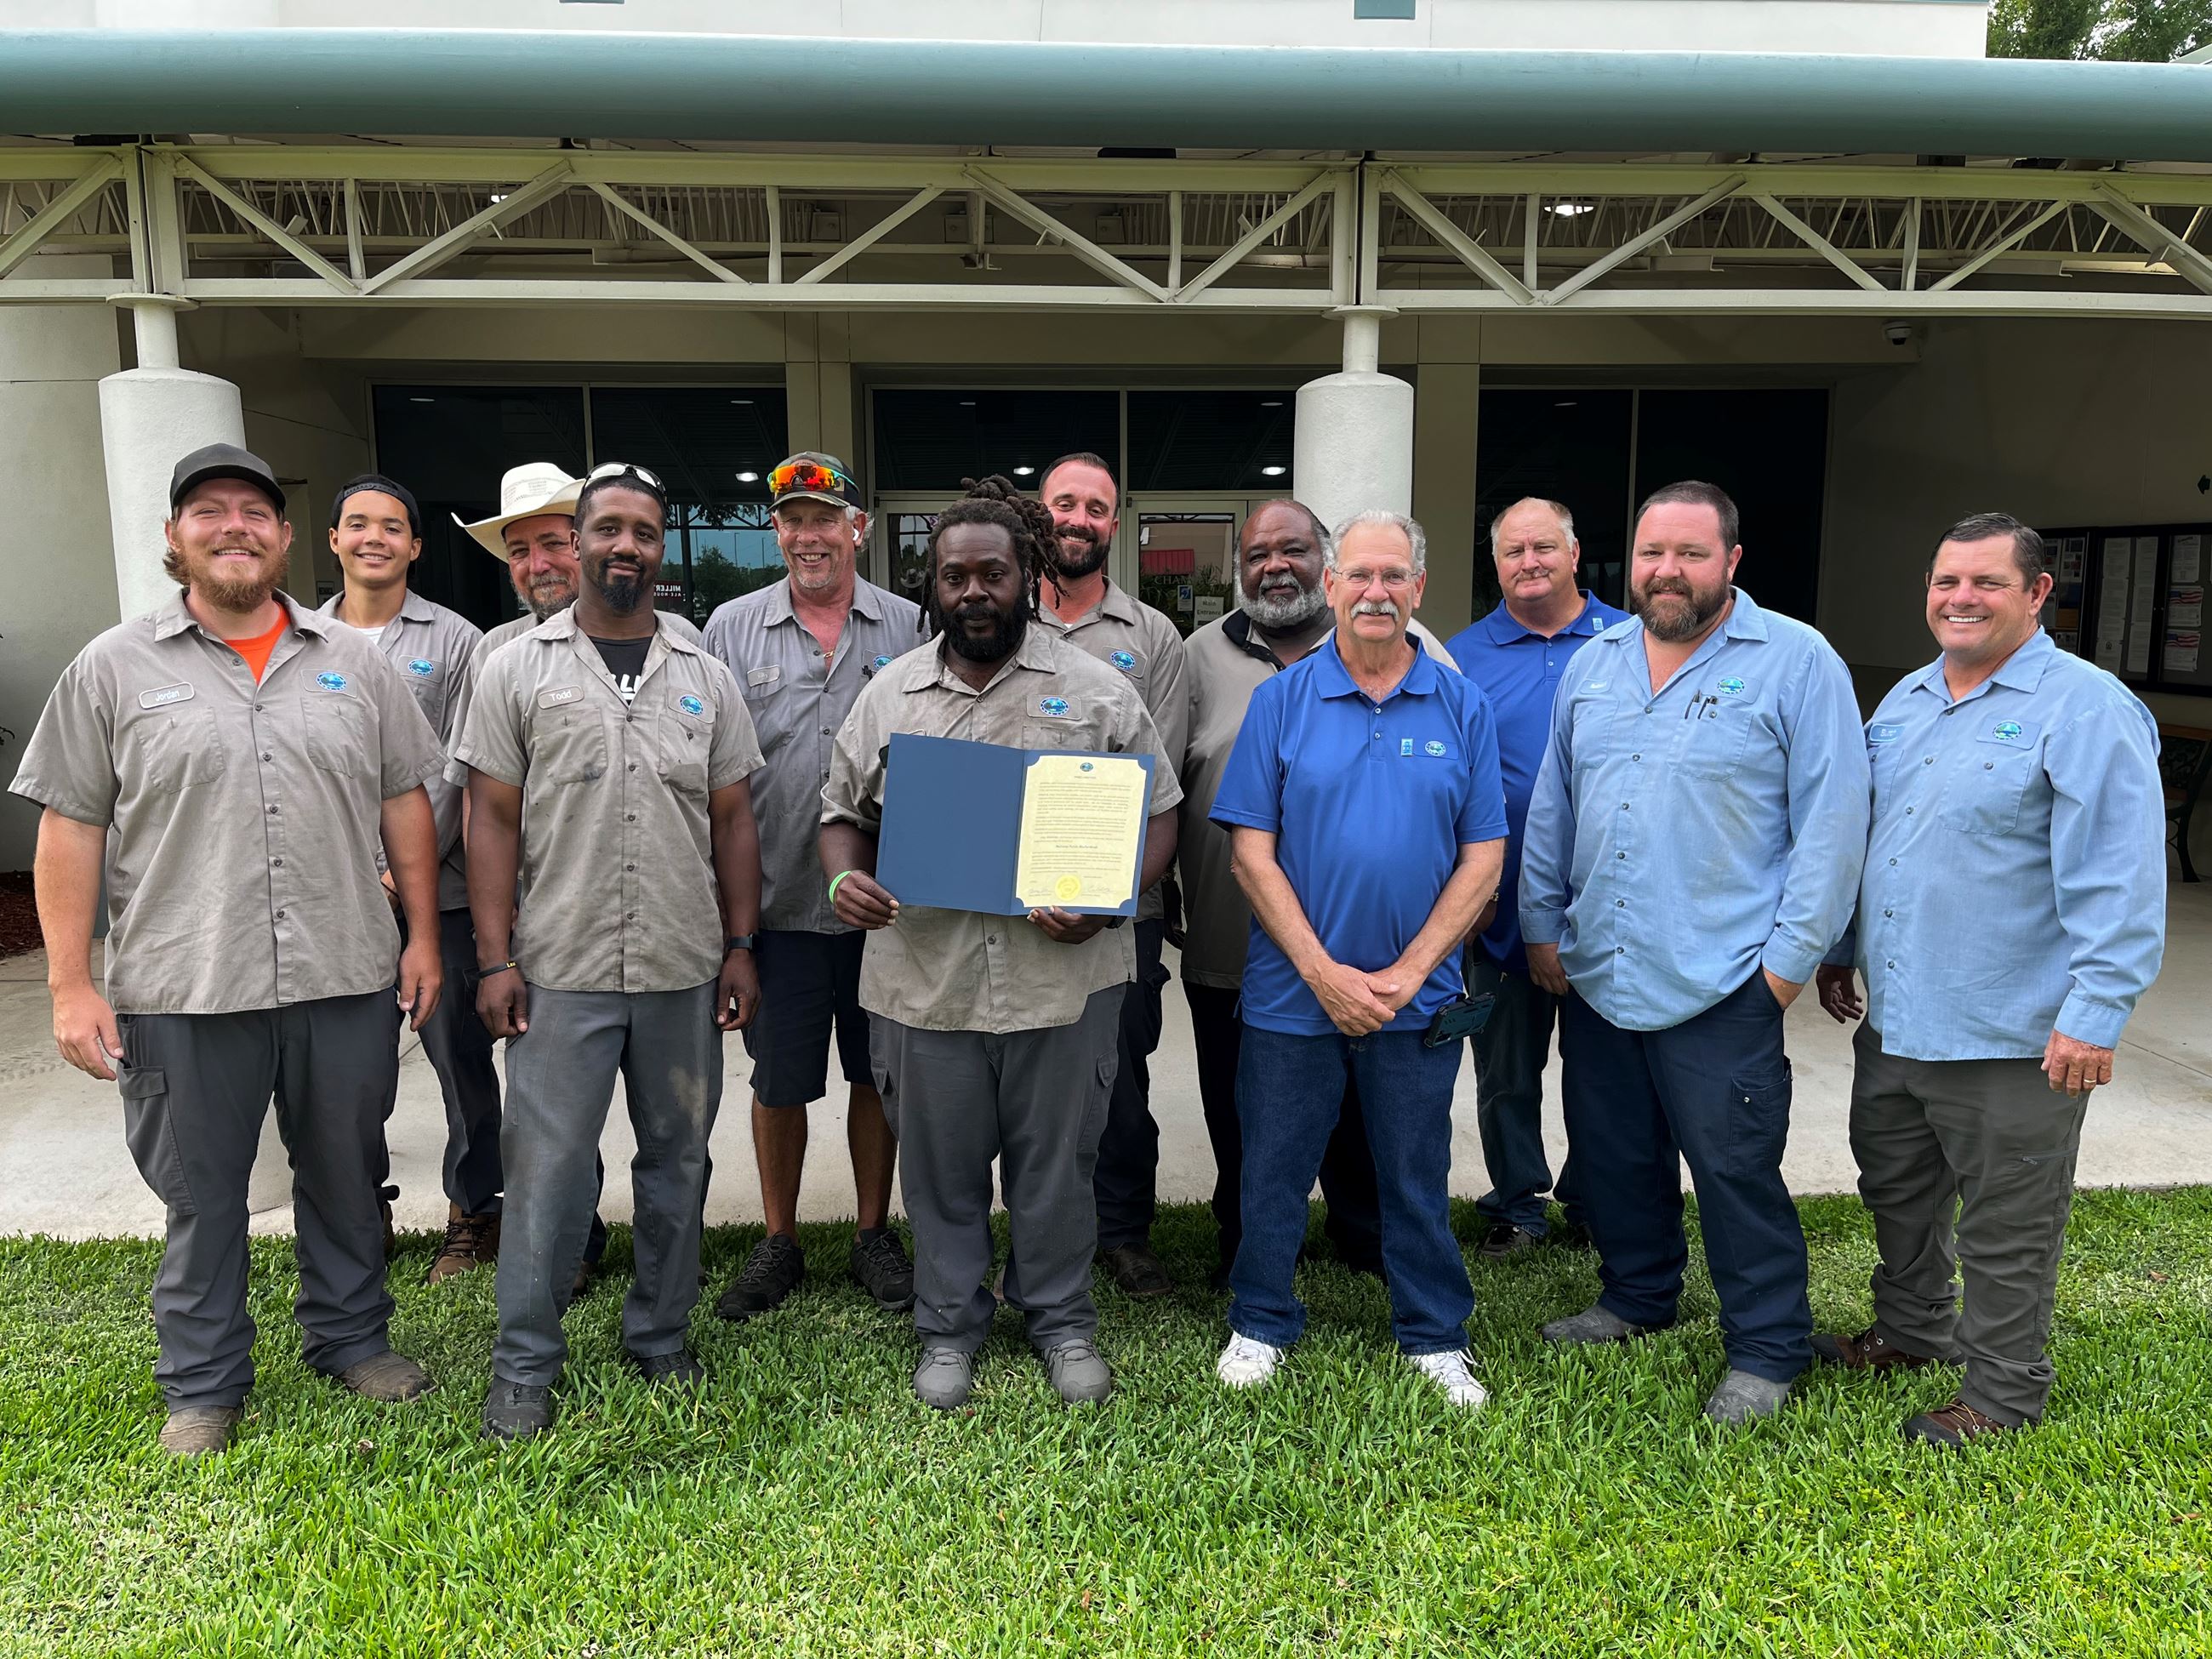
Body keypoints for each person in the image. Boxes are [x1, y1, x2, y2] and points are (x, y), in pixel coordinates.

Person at [10, 442, 448, 1457]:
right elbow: (70, 827)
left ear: (287, 537)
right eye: (209, 511)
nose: (234, 527)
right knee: (202, 1194)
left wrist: (422, 936)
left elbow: (405, 808)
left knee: (346, 1168)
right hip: (185, 983)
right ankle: (203, 1382)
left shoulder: (354, 664)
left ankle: (349, 1339)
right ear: (175, 538)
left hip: (343, 971)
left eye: (254, 512)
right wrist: (71, 984)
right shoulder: (112, 668)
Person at [821, 476, 1181, 1411]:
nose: (972, 590)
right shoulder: (889, 696)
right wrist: (840, 879)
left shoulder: (1096, 691)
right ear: (930, 586)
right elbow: (840, 818)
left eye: (992, 572)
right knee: (939, 1171)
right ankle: (947, 1326)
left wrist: (1112, 900)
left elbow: (1160, 816)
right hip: (922, 983)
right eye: (953, 576)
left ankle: (1060, 1320)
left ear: (1026, 576)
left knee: (1056, 1164)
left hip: (1061, 981)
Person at [1519, 480, 1869, 1425]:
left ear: (1730, 563)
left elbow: (1832, 830)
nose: (1665, 572)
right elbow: (1553, 805)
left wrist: (1784, 969)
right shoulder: (1591, 665)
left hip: (1724, 976)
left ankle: (1763, 1346)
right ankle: (1636, 1296)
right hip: (1601, 969)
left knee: (1732, 1169)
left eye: (1687, 553)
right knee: (1614, 1153)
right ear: (1626, 564)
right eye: (1649, 554)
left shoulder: (1796, 663)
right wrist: (1541, 925)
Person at [1812, 513, 2166, 1447]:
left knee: (2006, 1225)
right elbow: (1876, 837)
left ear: (2036, 594)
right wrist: (1843, 945)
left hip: (2011, 1030)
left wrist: (2093, 1014)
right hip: (1896, 1018)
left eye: (1984, 583)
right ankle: (1910, 1329)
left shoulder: (2085, 709)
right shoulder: (1904, 701)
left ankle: (2001, 1395)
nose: (1958, 599)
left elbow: (2118, 876)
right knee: (1895, 1189)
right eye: (1943, 582)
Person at [453, 461, 766, 1441]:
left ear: (659, 547)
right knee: (546, 1169)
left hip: (681, 964)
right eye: (607, 529)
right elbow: (490, 820)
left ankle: (661, 1333)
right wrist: (495, 959)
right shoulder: (515, 669)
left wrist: (741, 945)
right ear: (578, 540)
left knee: (677, 1160)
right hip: (559, 969)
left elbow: (734, 820)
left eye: (643, 530)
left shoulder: (705, 676)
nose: (623, 545)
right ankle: (523, 1365)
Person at [1208, 510, 1507, 1408]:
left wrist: (1408, 973)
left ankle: (1432, 1333)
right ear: (1331, 585)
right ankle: (1259, 1318)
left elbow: (1483, 856)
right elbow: (1248, 854)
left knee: (1413, 1170)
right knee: (1272, 1168)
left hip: (1416, 998)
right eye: (1358, 576)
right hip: (1292, 995)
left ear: (1417, 589)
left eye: (1394, 577)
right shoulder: (1281, 702)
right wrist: (1325, 975)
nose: (1374, 593)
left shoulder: (1461, 705)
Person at [1180, 499, 1460, 1291]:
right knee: (1253, 1122)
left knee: (1374, 1124)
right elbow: (1164, 783)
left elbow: (1464, 808)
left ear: (1322, 566)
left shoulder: (1429, 662)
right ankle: (1252, 1256)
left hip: (1385, 955)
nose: (1277, 565)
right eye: (1258, 552)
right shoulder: (1202, 657)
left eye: (1294, 549)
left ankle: (1366, 1239)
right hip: (1238, 944)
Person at [702, 453, 922, 1321]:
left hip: (885, 907)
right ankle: (779, 1238)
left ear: (857, 527)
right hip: (779, 906)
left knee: (880, 1076)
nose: (808, 535)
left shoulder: (908, 626)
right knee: (777, 1080)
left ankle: (872, 1232)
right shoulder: (729, 629)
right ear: (777, 531)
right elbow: (712, 780)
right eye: (792, 519)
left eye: (825, 517)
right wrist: (733, 933)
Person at [319, 472, 493, 1279]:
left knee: (459, 1057)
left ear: (415, 547)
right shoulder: (300, 639)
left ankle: (473, 1212)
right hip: (336, 900)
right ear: (333, 541)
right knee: (350, 1066)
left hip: (440, 894)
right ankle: (363, 1211)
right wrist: (357, 872)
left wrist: (399, 869)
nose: (374, 538)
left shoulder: (457, 642)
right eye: (358, 524)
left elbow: (460, 768)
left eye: (392, 527)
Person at [1443, 499, 1628, 1257]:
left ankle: (1592, 1200)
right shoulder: (1461, 656)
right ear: (1496, 563)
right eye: (1513, 551)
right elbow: (1448, 781)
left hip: (1612, 908)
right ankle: (1516, 1204)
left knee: (1603, 1072)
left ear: (1575, 552)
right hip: (1497, 909)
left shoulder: (1630, 639)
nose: (1530, 562)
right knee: (1505, 1073)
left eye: (1544, 548)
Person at [1034, 451, 1190, 1297]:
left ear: (1113, 524)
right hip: (1008, 899)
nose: (1079, 519)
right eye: (1065, 502)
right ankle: (1034, 1225)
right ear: (1039, 512)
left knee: (1118, 1071)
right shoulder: (991, 613)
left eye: (1095, 508)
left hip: (1122, 902)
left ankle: (1124, 1231)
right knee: (1018, 1074)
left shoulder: (1150, 637)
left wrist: (1105, 895)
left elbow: (1153, 782)